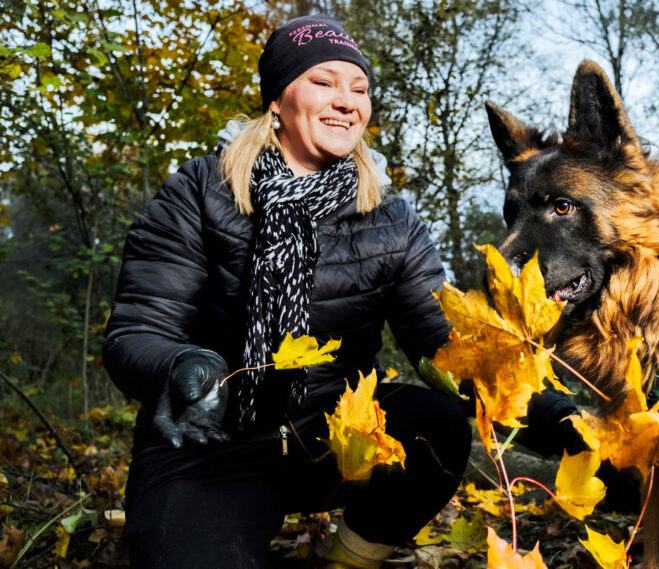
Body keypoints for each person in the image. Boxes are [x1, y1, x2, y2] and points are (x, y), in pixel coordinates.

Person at [102, 14, 471, 569]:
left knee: (437, 422)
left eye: (360, 89)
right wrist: (182, 365)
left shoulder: (390, 217)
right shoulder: (201, 192)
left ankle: (349, 557)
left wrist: (556, 410)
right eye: (323, 81)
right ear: (278, 99)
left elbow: (443, 346)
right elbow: (136, 331)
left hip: (330, 436)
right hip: (212, 447)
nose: (347, 101)